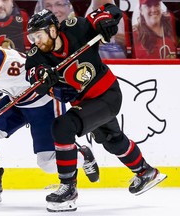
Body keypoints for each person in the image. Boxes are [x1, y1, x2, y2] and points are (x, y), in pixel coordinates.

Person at [25, 6, 167, 212]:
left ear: (53, 30)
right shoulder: (37, 54)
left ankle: (68, 188)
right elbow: (31, 73)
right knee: (112, 140)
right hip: (85, 104)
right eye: (32, 38)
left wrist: (104, 21)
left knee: (63, 126)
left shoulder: (76, 28)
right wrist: (42, 75)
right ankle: (145, 171)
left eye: (38, 35)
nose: (35, 41)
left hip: (107, 95)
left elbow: (109, 10)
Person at [0, 31, 99, 203]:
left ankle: (82, 155)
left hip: (44, 104)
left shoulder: (7, 63)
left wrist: (57, 86)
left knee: (47, 163)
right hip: (17, 101)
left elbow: (42, 73)